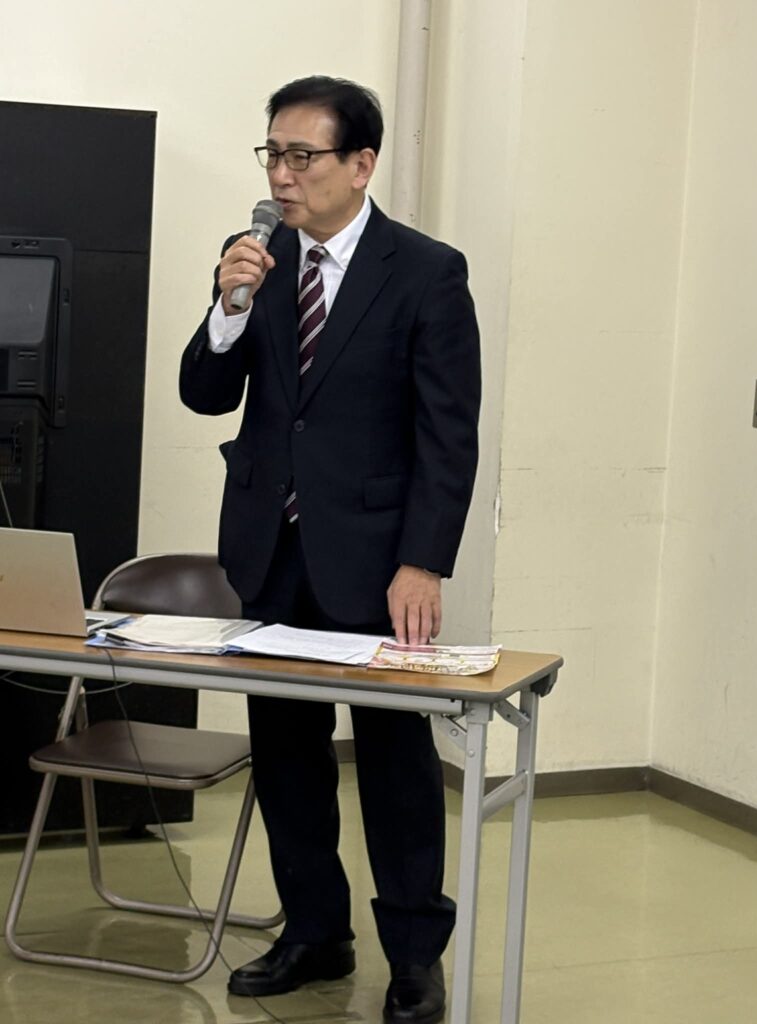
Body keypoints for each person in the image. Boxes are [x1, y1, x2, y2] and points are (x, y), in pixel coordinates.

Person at [179, 76, 481, 1024]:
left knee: (394, 766)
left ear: (361, 164)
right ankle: (315, 932)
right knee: (287, 758)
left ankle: (414, 956)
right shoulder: (260, 258)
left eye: (302, 156)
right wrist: (229, 305)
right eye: (272, 153)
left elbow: (447, 435)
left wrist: (423, 562)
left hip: (381, 564)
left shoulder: (426, 272)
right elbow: (204, 392)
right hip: (271, 551)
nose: (282, 174)